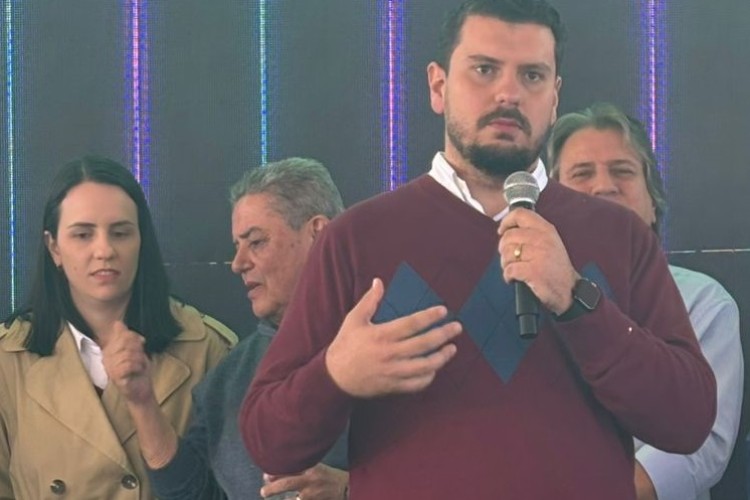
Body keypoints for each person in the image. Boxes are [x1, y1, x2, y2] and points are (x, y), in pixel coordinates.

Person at [240, 1, 716, 498]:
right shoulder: (357, 239)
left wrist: (577, 300)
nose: (509, 93)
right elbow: (267, 443)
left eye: (532, 75)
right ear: (438, 85)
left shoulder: (619, 236)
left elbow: (689, 422)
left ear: (554, 97)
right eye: (485, 69)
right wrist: (335, 375)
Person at [0, 155, 236, 499]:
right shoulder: (9, 360)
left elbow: (231, 488)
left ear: (142, 240)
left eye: (121, 233)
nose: (105, 250)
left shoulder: (208, 350)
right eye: (83, 234)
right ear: (54, 248)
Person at [547, 102, 743, 500]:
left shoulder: (703, 302)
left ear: (653, 203)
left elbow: (701, 447)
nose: (603, 187)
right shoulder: (520, 301)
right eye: (582, 173)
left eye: (622, 171)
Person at [128, 158, 349, 499]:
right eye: (237, 246)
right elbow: (196, 494)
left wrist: (352, 488)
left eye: (256, 242)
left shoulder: (400, 335)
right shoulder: (227, 379)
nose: (238, 263)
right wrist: (142, 402)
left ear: (318, 233)